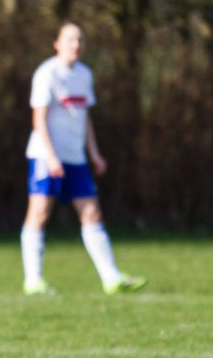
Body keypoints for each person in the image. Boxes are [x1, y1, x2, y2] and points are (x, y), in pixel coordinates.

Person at [19, 20, 146, 295]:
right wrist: (52, 157)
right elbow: (38, 119)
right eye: (70, 40)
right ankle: (33, 281)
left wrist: (94, 154)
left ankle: (111, 278)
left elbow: (84, 117)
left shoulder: (84, 75)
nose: (76, 45)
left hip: (75, 157)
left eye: (80, 41)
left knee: (91, 213)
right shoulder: (46, 74)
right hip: (45, 155)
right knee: (39, 213)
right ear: (57, 44)